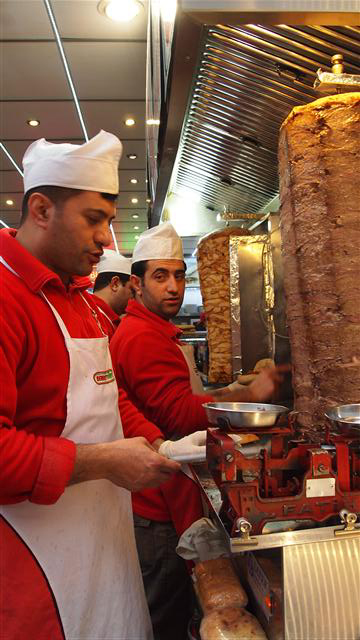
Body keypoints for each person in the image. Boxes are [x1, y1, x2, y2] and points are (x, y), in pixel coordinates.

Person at [0, 132, 181, 640]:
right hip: (36, 569)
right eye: (94, 219)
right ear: (40, 209)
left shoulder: (79, 299)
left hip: (105, 545)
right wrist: (102, 462)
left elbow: (108, 397)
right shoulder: (7, 297)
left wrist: (160, 443)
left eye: (109, 218)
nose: (107, 237)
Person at [110, 222, 285, 640]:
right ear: (136, 285)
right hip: (155, 508)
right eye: (160, 276)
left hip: (157, 499)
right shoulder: (142, 337)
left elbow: (167, 400)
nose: (173, 286)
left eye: (178, 275)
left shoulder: (152, 331)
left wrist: (228, 389)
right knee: (163, 614)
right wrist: (245, 399)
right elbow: (178, 415)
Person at [92, 248, 132, 338]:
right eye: (131, 289)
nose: (134, 297)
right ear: (115, 284)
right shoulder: (96, 321)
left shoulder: (105, 317)